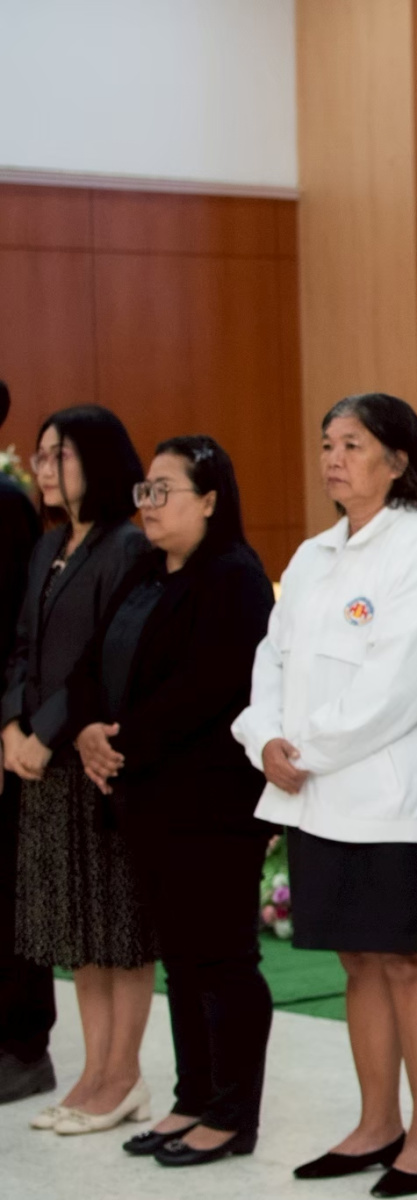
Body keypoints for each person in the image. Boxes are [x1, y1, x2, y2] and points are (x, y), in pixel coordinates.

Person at [231, 393, 417, 1197]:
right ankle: (377, 1124)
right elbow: (271, 661)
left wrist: (305, 749)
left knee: (407, 961)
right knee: (357, 960)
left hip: (393, 799)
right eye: (327, 444)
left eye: (353, 444)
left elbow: (404, 682)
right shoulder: (312, 556)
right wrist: (264, 737)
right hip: (317, 793)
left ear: (398, 460)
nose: (334, 458)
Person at [63, 436, 275, 1167]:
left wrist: (116, 743)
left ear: (210, 500)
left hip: (210, 802)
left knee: (223, 957)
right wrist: (86, 730)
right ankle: (193, 1097)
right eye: (143, 492)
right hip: (147, 797)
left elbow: (208, 686)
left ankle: (232, 1114)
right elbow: (90, 662)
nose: (147, 505)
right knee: (181, 957)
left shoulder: (235, 577)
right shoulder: (146, 571)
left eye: (163, 491)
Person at [3, 406, 152, 1136]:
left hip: (94, 760)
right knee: (79, 929)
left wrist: (46, 731)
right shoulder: (48, 545)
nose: (42, 465)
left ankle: (124, 1075)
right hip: (42, 764)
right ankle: (94, 1074)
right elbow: (21, 645)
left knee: (118, 927)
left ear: (97, 460)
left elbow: (102, 656)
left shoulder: (127, 546)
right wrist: (11, 724)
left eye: (58, 453)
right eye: (39, 453)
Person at [0, 379, 50, 1110]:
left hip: (5, 736)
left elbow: (16, 630)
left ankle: (21, 1046)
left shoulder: (7, 505)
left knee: (9, 892)